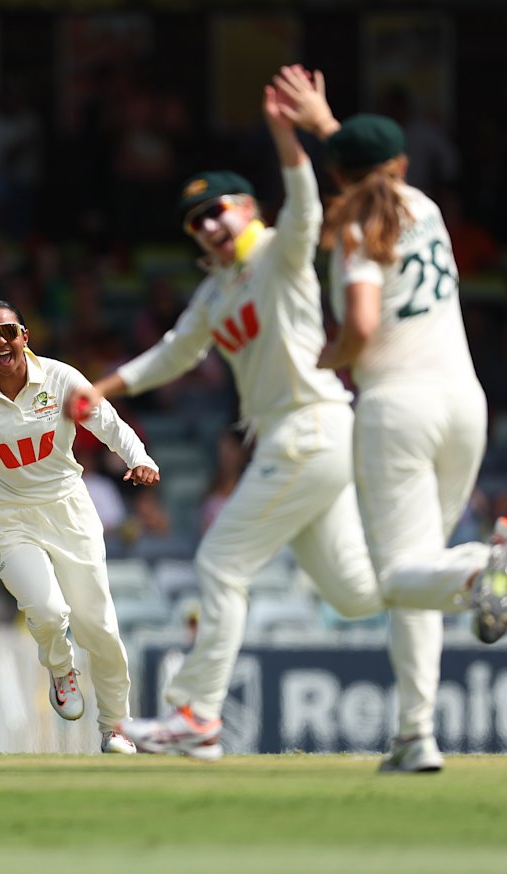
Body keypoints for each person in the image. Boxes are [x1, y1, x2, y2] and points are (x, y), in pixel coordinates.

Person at [66, 71, 505, 768]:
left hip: (313, 426)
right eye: (196, 220)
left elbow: (306, 195)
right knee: (361, 592)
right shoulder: (216, 291)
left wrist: (284, 132)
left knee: (219, 560)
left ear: (251, 210)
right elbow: (173, 354)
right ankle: (469, 588)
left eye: (221, 209)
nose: (210, 223)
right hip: (323, 434)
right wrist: (101, 388)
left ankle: (196, 715)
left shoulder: (282, 250)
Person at [274, 64, 507, 772]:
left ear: (337, 175)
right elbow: (370, 160)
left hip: (398, 407)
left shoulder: (354, 225)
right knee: (421, 570)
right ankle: (416, 735)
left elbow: (364, 324)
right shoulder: (426, 206)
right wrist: (325, 123)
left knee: (396, 577)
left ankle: (484, 573)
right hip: (464, 403)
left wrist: (328, 355)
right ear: (400, 165)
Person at [0, 299, 160, 755]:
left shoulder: (61, 379)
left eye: (9, 332)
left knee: (98, 624)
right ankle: (61, 670)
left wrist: (138, 458)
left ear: (26, 336)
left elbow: (107, 421)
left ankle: (116, 726)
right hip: (6, 521)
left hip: (67, 509)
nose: (1, 343)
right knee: (46, 610)